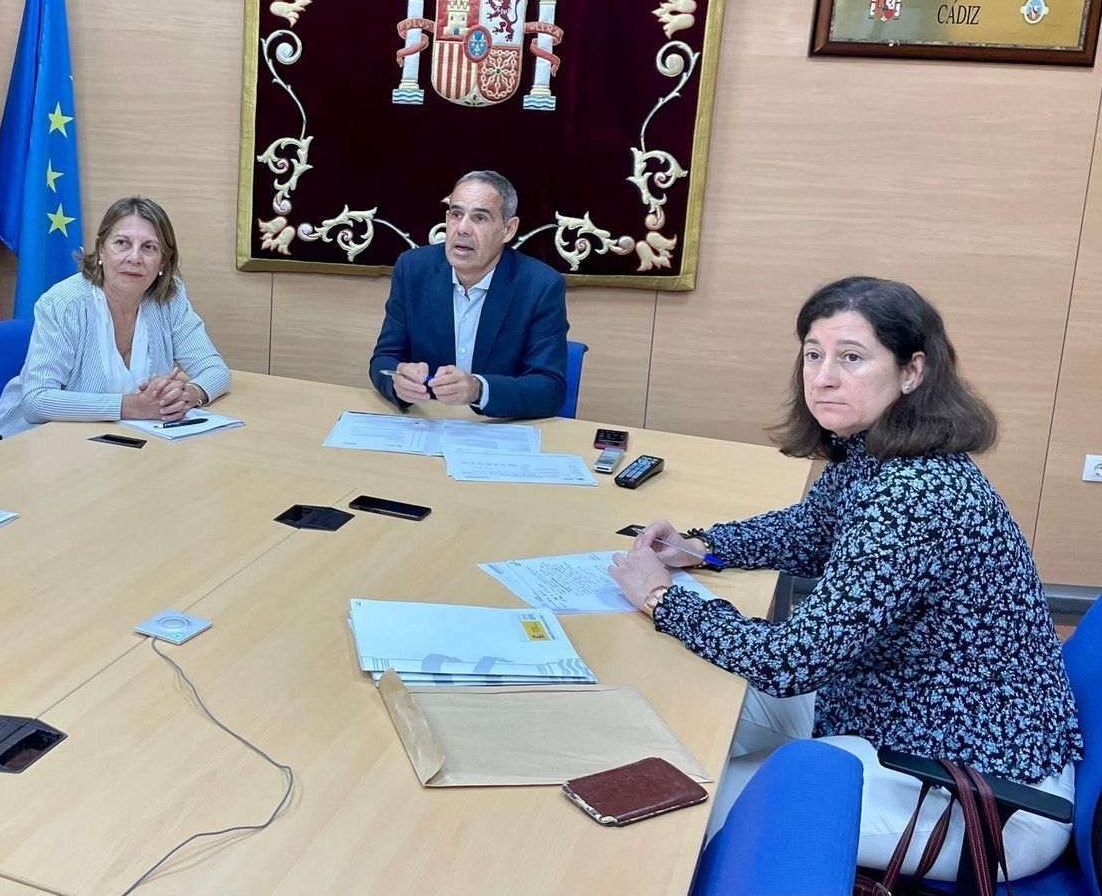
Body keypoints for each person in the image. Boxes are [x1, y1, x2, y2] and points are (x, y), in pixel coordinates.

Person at [607, 276, 1080, 881]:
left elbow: (791, 663)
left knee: (678, 810)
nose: (823, 376)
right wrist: (701, 547)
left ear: (913, 372)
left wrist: (660, 597)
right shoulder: (878, 451)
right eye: (813, 354)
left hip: (983, 790)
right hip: (890, 708)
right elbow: (813, 530)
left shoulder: (917, 494)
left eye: (851, 358)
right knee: (679, 708)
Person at [0, 196, 231, 437]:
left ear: (163, 263)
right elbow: (36, 401)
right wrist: (132, 406)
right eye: (122, 243)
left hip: (110, 444)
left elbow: (216, 370)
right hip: (29, 445)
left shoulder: (168, 300)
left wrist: (187, 395)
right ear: (101, 249)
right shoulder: (64, 303)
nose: (135, 257)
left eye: (149, 247)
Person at [369, 170, 567, 421]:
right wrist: (398, 381)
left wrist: (478, 389)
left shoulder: (540, 286)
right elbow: (383, 359)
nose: (462, 229)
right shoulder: (413, 270)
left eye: (480, 218)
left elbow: (551, 389)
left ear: (508, 229)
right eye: (456, 214)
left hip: (496, 432)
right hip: (428, 425)